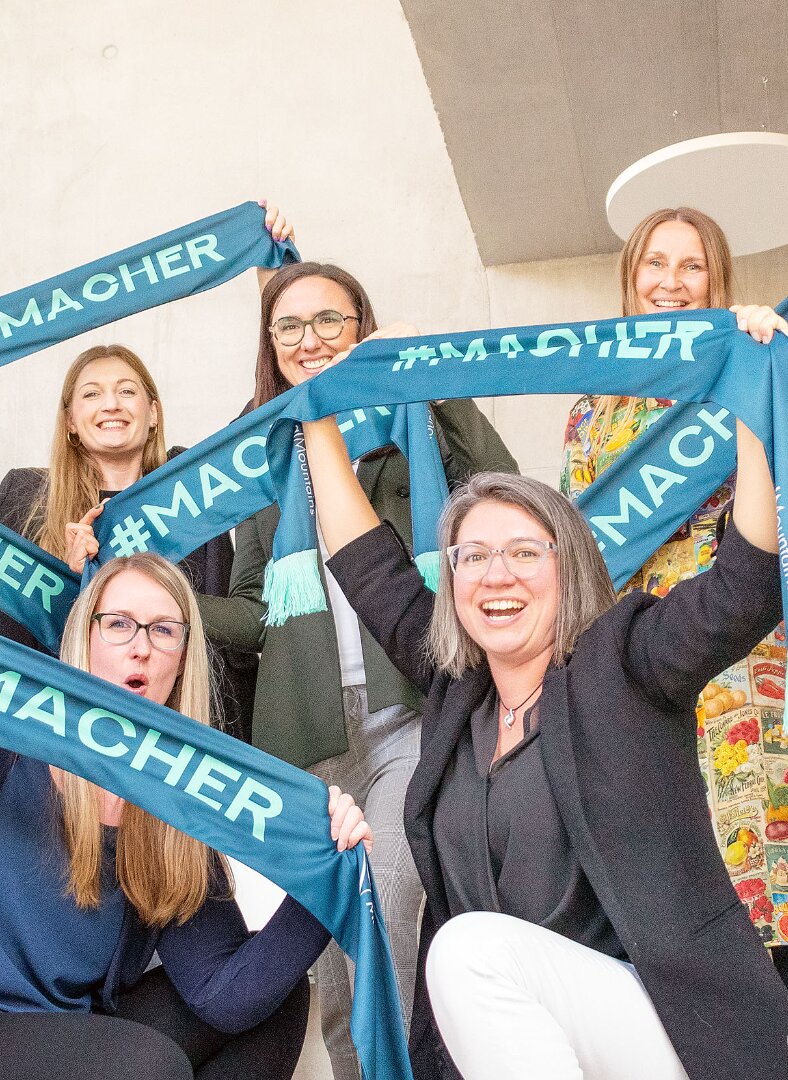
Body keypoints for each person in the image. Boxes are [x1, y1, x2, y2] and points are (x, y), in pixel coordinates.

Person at [298, 400, 788, 1080]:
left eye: (523, 553)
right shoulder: (457, 689)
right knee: (466, 955)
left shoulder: (627, 660)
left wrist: (757, 398)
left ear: (566, 564)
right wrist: (315, 410)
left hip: (668, 1031)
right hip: (536, 1043)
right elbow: (366, 564)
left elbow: (744, 586)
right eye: (474, 557)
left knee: (465, 951)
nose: (497, 575)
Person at [558, 206, 788, 1078]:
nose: (672, 283)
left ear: (718, 284)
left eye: (693, 268)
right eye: (656, 265)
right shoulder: (588, 411)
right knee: (695, 931)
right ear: (629, 279)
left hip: (765, 679)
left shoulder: (752, 365)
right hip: (657, 692)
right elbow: (582, 565)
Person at [0, 552, 367, 1080]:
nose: (140, 647)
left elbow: (223, 994)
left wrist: (327, 875)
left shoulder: (175, 805)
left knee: (279, 1004)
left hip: (63, 1039)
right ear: (83, 637)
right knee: (146, 1067)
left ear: (182, 660)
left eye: (163, 630)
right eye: (119, 624)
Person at [193, 261, 516, 1079]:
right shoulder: (264, 457)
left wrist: (432, 380)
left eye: (328, 320)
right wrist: (167, 602)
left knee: (391, 905)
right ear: (270, 345)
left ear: (362, 325)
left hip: (411, 712)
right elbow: (253, 606)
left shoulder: (411, 423)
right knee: (333, 968)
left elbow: (504, 487)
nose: (310, 340)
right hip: (306, 739)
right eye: (289, 327)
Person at [0, 342, 258, 738]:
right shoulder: (22, 498)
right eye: (91, 394)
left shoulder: (192, 495)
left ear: (153, 413)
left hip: (173, 738)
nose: (111, 405)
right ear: (70, 420)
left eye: (127, 391)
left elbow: (225, 654)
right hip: (50, 738)